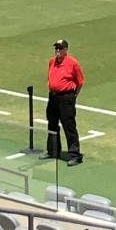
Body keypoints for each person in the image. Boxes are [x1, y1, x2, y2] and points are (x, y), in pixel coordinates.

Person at [45, 37, 84, 165]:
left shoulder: (72, 63)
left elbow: (80, 81)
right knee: (52, 124)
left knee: (69, 126)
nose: (57, 50)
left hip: (66, 97)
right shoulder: (52, 62)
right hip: (53, 97)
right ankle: (53, 151)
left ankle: (75, 155)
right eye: (56, 48)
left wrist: (73, 96)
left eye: (60, 48)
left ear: (66, 50)